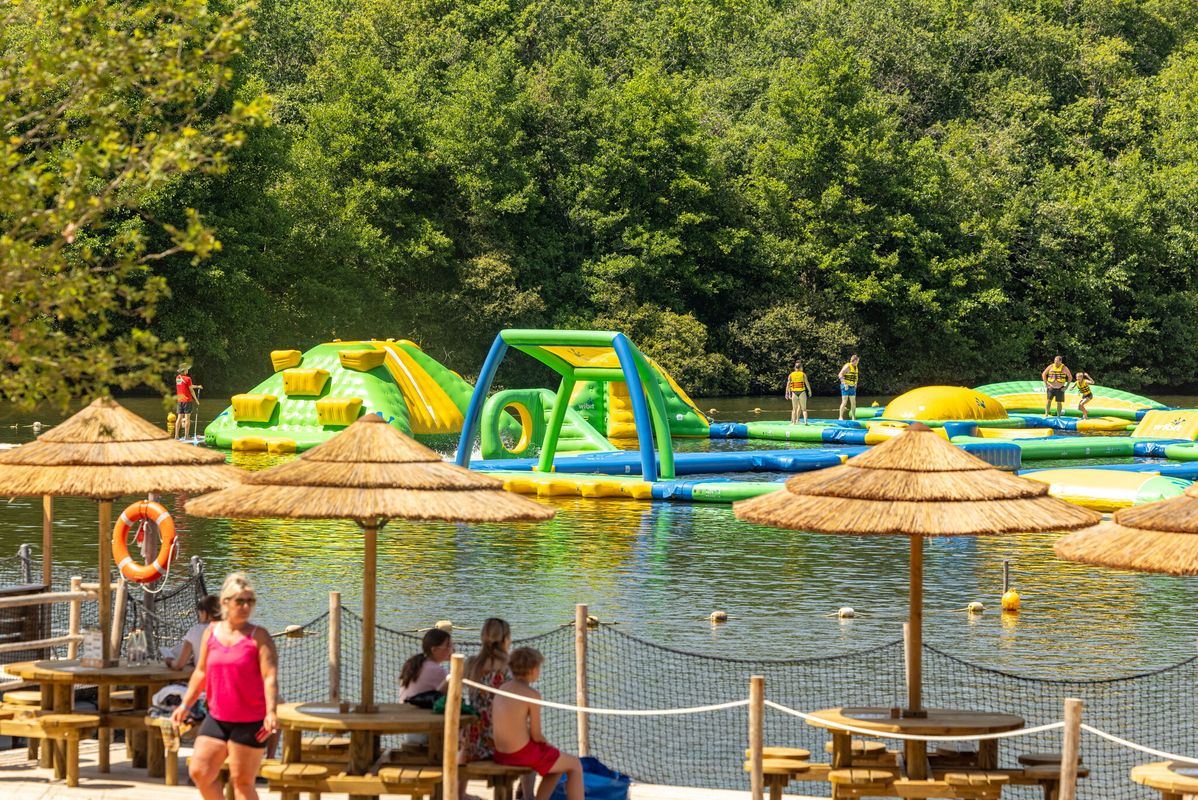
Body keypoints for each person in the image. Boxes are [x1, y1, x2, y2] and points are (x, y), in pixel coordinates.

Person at [174, 573, 279, 800]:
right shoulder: (211, 632)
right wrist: (185, 705)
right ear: (224, 602)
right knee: (199, 772)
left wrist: (271, 711)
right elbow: (201, 672)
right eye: (239, 601)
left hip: (251, 720)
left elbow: (269, 677)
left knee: (242, 783)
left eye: (250, 601)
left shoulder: (259, 637)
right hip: (218, 716)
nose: (245, 606)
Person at [491, 648, 583, 800]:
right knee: (574, 765)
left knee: (557, 763)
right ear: (533, 670)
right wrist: (548, 744)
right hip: (519, 754)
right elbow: (536, 734)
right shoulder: (532, 695)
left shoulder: (502, 688)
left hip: (501, 753)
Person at [460, 618, 512, 764]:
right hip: (501, 739)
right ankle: (524, 788)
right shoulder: (509, 667)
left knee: (462, 753)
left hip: (473, 737)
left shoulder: (471, 664)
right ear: (504, 639)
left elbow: (446, 690)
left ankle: (459, 787)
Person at [164, 595, 221, 670]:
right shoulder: (233, 629)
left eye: (200, 614)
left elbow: (179, 665)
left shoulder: (195, 630)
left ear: (204, 613)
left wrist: (170, 661)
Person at [399, 628, 453, 702]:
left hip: (403, 707)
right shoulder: (437, 670)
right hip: (419, 711)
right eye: (448, 646)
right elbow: (451, 696)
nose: (452, 649)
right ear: (434, 650)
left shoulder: (414, 663)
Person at [174, 365, 203, 440]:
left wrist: (197, 386)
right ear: (184, 371)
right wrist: (196, 400)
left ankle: (176, 436)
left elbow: (188, 386)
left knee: (179, 418)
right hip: (187, 401)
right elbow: (191, 390)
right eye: (187, 369)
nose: (188, 370)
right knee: (187, 418)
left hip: (180, 400)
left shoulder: (178, 378)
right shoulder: (188, 378)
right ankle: (186, 436)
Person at [784, 360, 809, 425]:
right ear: (800, 368)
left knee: (794, 409)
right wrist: (809, 390)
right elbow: (807, 383)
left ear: (795, 367)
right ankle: (805, 422)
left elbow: (788, 385)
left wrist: (786, 393)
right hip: (802, 392)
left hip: (794, 392)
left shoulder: (791, 375)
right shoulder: (803, 374)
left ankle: (793, 422)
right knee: (804, 409)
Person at [838, 355, 860, 421]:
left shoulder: (855, 367)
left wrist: (855, 384)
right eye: (856, 361)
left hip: (852, 387)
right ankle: (840, 417)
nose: (857, 363)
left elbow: (855, 376)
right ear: (853, 361)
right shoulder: (847, 366)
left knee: (853, 402)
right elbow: (840, 374)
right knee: (844, 402)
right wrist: (845, 384)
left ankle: (853, 417)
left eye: (858, 362)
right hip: (845, 386)